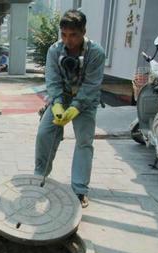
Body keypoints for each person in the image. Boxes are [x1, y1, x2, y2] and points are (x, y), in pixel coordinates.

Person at [34, 9, 106, 208]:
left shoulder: (96, 53)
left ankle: (80, 189)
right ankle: (40, 176)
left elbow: (92, 85)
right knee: (44, 133)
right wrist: (57, 104)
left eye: (73, 35)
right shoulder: (54, 51)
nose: (68, 40)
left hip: (86, 100)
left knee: (84, 142)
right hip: (62, 97)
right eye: (64, 35)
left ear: (83, 32)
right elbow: (52, 80)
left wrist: (76, 107)